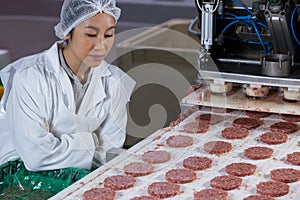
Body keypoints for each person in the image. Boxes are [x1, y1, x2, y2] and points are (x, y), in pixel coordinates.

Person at [0, 0, 135, 171]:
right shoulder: (28, 77)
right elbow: (36, 157)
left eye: (108, 35)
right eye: (91, 34)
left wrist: (62, 147)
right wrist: (91, 141)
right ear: (66, 31)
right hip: (17, 180)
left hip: (81, 179)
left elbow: (110, 152)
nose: (101, 45)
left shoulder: (115, 81)